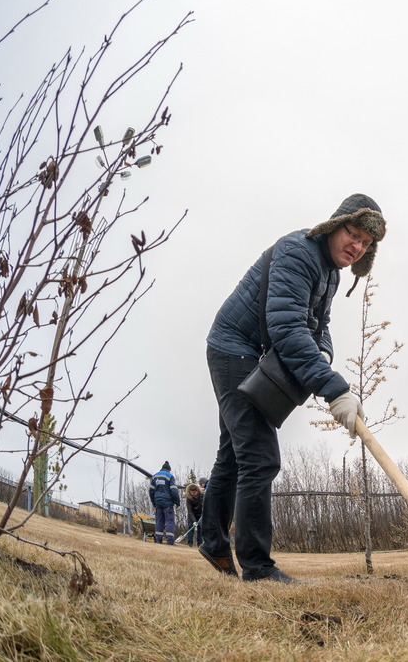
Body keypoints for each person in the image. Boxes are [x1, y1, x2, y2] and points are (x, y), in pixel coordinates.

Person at [200, 194, 386, 582]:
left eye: (366, 244)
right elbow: (286, 328)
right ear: (335, 226)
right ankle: (257, 566)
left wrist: (324, 354)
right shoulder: (297, 253)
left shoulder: (330, 272)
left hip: (252, 353)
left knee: (234, 455)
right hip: (234, 348)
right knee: (260, 456)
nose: (357, 247)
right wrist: (334, 388)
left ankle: (213, 544)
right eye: (353, 235)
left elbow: (319, 326)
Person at [148, 461, 181, 544]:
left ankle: (158, 539)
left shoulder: (155, 476)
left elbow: (151, 491)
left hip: (158, 502)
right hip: (167, 503)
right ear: (169, 470)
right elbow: (174, 491)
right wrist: (177, 502)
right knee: (169, 521)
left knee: (159, 521)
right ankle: (170, 541)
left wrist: (154, 502)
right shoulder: (170, 477)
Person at [184, 481, 204, 547]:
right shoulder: (189, 498)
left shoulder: (202, 496)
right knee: (190, 527)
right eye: (192, 492)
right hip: (192, 514)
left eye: (194, 492)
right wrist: (194, 521)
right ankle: (190, 543)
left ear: (197, 491)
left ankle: (200, 544)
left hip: (201, 514)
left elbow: (205, 505)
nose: (193, 494)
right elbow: (190, 510)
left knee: (200, 528)